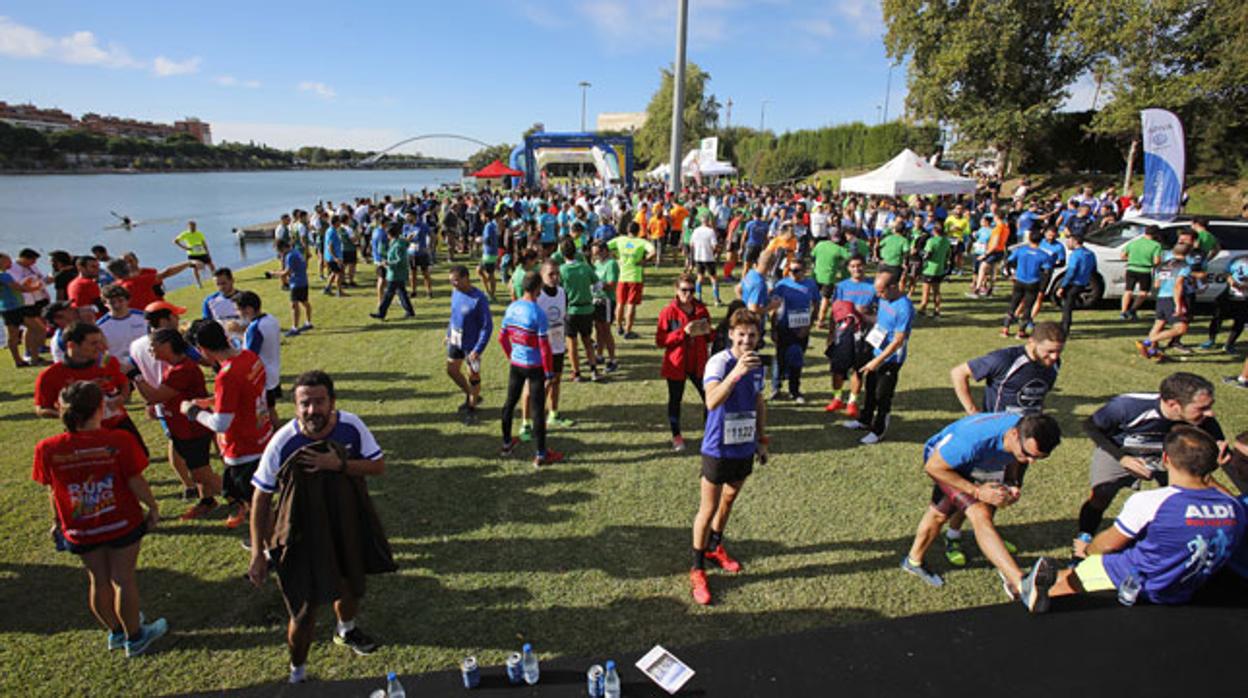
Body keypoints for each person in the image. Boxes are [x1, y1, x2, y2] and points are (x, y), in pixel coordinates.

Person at [247, 370, 394, 683]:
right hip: (300, 534)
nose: (312, 410)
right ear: (296, 406)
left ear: (332, 402)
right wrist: (258, 553)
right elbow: (260, 497)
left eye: (319, 402)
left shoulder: (351, 427)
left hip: (348, 523)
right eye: (304, 404)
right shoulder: (283, 441)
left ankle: (346, 631)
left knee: (351, 582)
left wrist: (338, 464)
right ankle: (297, 673)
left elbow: (378, 465)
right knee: (304, 609)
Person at [32, 380, 167, 657]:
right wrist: (152, 506)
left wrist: (57, 520)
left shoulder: (48, 448)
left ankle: (116, 631)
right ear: (100, 408)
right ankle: (136, 636)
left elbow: (52, 490)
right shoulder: (117, 440)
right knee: (123, 579)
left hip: (79, 526)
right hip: (121, 521)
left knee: (98, 580)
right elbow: (135, 479)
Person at [1050, 426, 1245, 606]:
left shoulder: (1152, 501)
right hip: (1184, 588)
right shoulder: (1235, 507)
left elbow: (1108, 544)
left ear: (1166, 459)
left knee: (1064, 584)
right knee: (1062, 574)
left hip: (1139, 582)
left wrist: (1087, 550)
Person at [899, 411, 1063, 614]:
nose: (1031, 462)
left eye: (1038, 458)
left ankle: (913, 561)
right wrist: (977, 491)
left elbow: (1017, 459)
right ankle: (1021, 583)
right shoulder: (971, 441)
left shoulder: (1024, 431)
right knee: (978, 514)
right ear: (1013, 435)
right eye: (1027, 455)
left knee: (941, 513)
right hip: (945, 463)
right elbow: (933, 466)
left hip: (979, 462)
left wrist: (1013, 482)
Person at [1074, 372, 1225, 558]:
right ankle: (1084, 539)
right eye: (1202, 408)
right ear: (1173, 404)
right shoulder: (1127, 406)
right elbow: (1091, 426)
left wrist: (1219, 451)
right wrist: (1122, 458)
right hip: (1121, 451)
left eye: (1210, 406)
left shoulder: (1204, 420)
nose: (1210, 413)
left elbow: (1217, 443)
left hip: (1168, 458)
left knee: (1182, 500)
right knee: (1100, 495)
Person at [689, 308, 768, 606]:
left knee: (731, 497)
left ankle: (715, 546)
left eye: (752, 335)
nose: (747, 340)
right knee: (707, 509)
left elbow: (759, 401)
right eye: (741, 334)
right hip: (717, 446)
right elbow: (711, 401)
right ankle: (697, 567)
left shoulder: (758, 365)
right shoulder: (719, 362)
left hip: (743, 444)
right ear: (731, 335)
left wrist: (761, 439)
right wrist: (736, 373)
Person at [183, 319, 274, 531]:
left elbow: (221, 424)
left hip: (244, 448)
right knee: (262, 500)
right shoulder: (249, 356)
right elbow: (247, 395)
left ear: (202, 349)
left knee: (257, 504)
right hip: (262, 436)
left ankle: (269, 547)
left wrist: (193, 411)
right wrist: (214, 401)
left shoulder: (226, 375)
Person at [130, 328, 223, 519]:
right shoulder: (172, 366)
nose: (150, 351)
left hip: (193, 429)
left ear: (167, 345)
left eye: (153, 346)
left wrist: (135, 376)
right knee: (198, 469)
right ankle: (207, 501)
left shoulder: (183, 370)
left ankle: (245, 497)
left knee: (200, 474)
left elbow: (154, 395)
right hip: (182, 428)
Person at [35, 321, 146, 450]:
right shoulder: (51, 375)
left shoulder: (107, 361)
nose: (100, 347)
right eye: (93, 343)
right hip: (82, 432)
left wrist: (121, 398)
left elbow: (124, 383)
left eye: (100, 341)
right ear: (72, 345)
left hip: (118, 422)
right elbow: (41, 409)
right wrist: (71, 414)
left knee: (140, 455)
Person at [499, 270, 564, 467]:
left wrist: (512, 355)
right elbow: (544, 348)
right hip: (535, 366)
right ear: (538, 289)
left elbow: (502, 337)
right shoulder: (538, 313)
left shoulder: (512, 308)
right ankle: (541, 454)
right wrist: (549, 372)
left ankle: (506, 444)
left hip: (516, 365)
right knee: (537, 411)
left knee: (510, 403)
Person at [843, 271, 913, 445]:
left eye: (881, 291)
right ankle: (865, 420)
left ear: (893, 287)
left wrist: (877, 361)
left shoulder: (904, 307)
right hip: (875, 349)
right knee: (870, 388)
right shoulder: (884, 299)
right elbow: (880, 321)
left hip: (890, 359)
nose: (878, 295)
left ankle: (879, 430)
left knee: (883, 395)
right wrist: (862, 316)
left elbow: (898, 341)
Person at [657, 273, 713, 452]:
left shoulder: (701, 309)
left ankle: (710, 434)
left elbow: (710, 335)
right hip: (677, 363)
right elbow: (660, 340)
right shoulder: (668, 312)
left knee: (709, 399)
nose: (688, 294)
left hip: (699, 362)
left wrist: (708, 331)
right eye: (684, 290)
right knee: (675, 400)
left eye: (691, 290)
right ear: (676, 290)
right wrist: (683, 332)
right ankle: (676, 436)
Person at [824, 255, 875, 417]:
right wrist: (831, 333)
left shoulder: (873, 286)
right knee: (837, 368)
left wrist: (866, 314)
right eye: (852, 266)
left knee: (857, 369)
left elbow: (879, 313)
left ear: (864, 266)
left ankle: (852, 401)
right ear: (848, 268)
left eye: (859, 265)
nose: (856, 269)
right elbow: (835, 312)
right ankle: (837, 398)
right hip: (843, 332)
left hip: (863, 333)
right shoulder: (841, 287)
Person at [446, 265, 493, 425]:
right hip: (456, 340)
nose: (453, 284)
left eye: (456, 281)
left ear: (466, 278)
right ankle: (472, 395)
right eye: (451, 281)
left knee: (473, 376)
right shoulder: (455, 292)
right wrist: (448, 333)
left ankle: (471, 409)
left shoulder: (478, 298)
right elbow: (454, 315)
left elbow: (487, 327)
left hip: (471, 345)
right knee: (451, 370)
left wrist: (477, 350)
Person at [768, 260, 820, 402]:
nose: (793, 273)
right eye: (790, 270)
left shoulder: (810, 285)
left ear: (804, 271)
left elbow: (816, 304)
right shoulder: (781, 285)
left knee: (796, 359)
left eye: (796, 270)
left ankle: (794, 390)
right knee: (780, 358)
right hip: (784, 327)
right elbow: (774, 308)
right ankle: (775, 388)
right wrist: (773, 329)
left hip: (801, 328)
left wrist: (809, 326)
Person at [1136, 242, 1192, 362]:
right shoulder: (1184, 266)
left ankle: (1152, 351)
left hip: (1161, 297)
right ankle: (1147, 342)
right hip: (1172, 298)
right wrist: (1178, 305)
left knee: (1159, 324)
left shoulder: (1162, 265)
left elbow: (1157, 284)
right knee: (1181, 328)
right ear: (1188, 253)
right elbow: (1178, 286)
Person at [535, 260, 575, 429]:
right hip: (541, 348)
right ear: (542, 276)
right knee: (542, 383)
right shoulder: (537, 296)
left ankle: (554, 414)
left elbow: (563, 317)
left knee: (556, 380)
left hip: (558, 345)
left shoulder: (562, 293)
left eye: (557, 273)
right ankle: (536, 416)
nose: (555, 277)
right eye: (550, 274)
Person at [237, 291, 283, 421]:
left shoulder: (255, 327)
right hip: (274, 371)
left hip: (263, 377)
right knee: (271, 408)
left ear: (249, 309)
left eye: (239, 310)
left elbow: (249, 356)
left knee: (266, 411)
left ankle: (275, 434)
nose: (238, 314)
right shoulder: (271, 319)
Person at [607, 222, 656, 339]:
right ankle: (628, 331)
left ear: (626, 230)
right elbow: (653, 251)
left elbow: (604, 246)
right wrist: (644, 260)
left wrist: (615, 256)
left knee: (620, 303)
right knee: (631, 305)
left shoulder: (620, 240)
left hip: (622, 276)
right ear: (639, 231)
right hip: (635, 277)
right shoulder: (641, 242)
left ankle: (618, 326)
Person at [1001, 230, 1049, 339]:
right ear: (1041, 241)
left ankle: (1005, 329)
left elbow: (1007, 262)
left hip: (1019, 280)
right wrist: (1043, 286)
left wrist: (1009, 274)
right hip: (1033, 282)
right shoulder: (1044, 255)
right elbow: (1047, 272)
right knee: (1027, 307)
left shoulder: (1021, 250)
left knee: (1013, 304)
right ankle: (1020, 331)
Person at [109, 256, 192, 312]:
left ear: (113, 274)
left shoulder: (113, 288)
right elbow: (167, 272)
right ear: (127, 267)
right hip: (152, 314)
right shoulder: (142, 280)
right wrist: (188, 263)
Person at [1202, 254, 1248, 352]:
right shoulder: (1238, 259)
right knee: (1218, 317)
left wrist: (1245, 286)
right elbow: (1227, 273)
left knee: (1240, 321)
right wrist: (1230, 280)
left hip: (1244, 298)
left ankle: (1229, 345)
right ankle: (1211, 339)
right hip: (1229, 294)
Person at [97, 285, 148, 372]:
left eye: (120, 301)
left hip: (147, 364)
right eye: (112, 302)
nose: (117, 305)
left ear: (128, 300)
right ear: (105, 304)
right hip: (122, 370)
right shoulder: (100, 327)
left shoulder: (143, 317)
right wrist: (106, 369)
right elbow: (102, 354)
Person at [369, 224, 415, 321]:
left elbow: (400, 260)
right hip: (397, 273)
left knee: (388, 294)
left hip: (396, 273)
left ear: (390, 234)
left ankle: (381, 313)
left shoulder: (398, 245)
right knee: (402, 293)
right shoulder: (397, 242)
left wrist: (388, 263)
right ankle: (410, 311)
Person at [1057, 233, 1097, 338]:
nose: (1067, 243)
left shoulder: (1075, 255)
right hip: (1083, 283)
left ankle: (1065, 329)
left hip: (1073, 283)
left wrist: (1062, 286)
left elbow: (1072, 270)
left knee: (1067, 307)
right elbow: (1094, 269)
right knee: (1070, 305)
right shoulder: (1090, 253)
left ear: (1075, 241)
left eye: (1069, 241)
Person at [1120, 226, 1163, 320]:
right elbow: (1156, 261)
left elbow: (1123, 256)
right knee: (1143, 292)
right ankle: (1132, 310)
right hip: (1145, 270)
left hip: (1131, 268)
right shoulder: (1156, 245)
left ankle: (1123, 311)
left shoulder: (1134, 242)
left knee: (1128, 291)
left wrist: (1132, 259)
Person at [590, 241, 619, 372]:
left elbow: (612, 284)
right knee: (598, 329)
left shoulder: (611, 264)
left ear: (605, 251)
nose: (596, 256)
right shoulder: (596, 264)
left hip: (606, 301)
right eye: (595, 254)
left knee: (606, 330)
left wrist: (598, 285)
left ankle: (613, 360)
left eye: (598, 253)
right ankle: (599, 355)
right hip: (596, 300)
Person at [276, 239, 313, 337]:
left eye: (279, 251)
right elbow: (304, 265)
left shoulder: (290, 256)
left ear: (282, 248)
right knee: (305, 302)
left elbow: (286, 272)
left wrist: (274, 274)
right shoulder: (296, 251)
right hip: (303, 281)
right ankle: (308, 322)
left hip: (296, 284)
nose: (280, 253)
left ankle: (294, 328)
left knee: (294, 305)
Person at [202, 267, 244, 344]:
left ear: (232, 280)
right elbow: (206, 324)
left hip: (243, 340)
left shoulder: (245, 298)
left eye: (224, 283)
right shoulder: (209, 301)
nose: (221, 287)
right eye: (218, 284)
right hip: (221, 343)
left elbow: (254, 320)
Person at [918, 224, 951, 317]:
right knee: (937, 291)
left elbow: (927, 255)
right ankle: (937, 310)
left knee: (926, 291)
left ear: (934, 231)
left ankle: (923, 308)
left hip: (929, 269)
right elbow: (948, 254)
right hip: (940, 269)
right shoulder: (946, 241)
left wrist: (920, 252)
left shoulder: (931, 241)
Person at [689, 215, 721, 306]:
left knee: (699, 278)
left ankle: (699, 298)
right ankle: (716, 299)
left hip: (698, 257)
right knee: (713, 278)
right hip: (708, 257)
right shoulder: (710, 231)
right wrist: (715, 252)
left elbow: (691, 244)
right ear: (708, 221)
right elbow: (714, 245)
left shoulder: (696, 231)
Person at [173, 220, 214, 287]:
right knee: (195, 269)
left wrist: (208, 252)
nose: (193, 228)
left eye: (194, 226)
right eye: (191, 226)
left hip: (202, 253)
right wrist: (185, 248)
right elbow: (175, 241)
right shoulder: (184, 234)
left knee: (211, 265)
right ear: (188, 227)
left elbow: (204, 244)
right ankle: (198, 283)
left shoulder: (199, 233)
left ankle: (215, 277)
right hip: (192, 254)